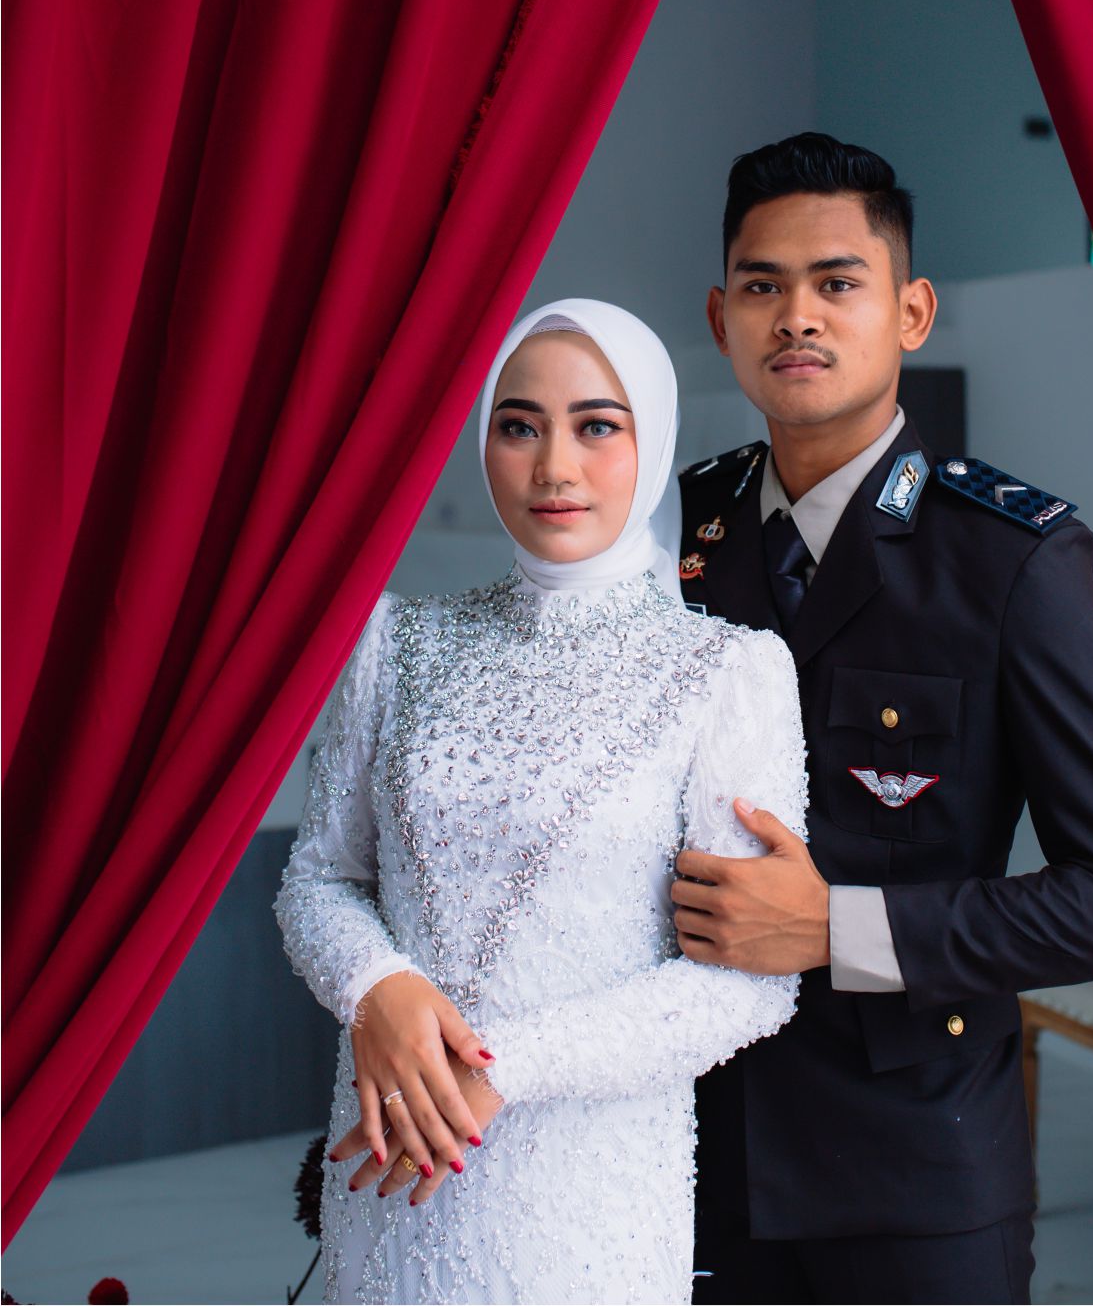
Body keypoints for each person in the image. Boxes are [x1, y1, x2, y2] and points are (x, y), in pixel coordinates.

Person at [672, 133, 1093, 1305]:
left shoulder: (1008, 561)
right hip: (688, 1151)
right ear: (720, 318)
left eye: (836, 283)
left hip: (913, 1172)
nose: (795, 317)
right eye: (761, 286)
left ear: (910, 312)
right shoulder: (674, 538)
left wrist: (836, 929)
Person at [275, 298, 810, 1305]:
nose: (554, 466)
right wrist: (377, 987)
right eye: (518, 425)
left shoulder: (725, 673)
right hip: (388, 1177)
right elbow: (319, 879)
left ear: (653, 439)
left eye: (596, 426)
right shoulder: (394, 642)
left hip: (583, 1199)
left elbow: (746, 987)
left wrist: (501, 1067)